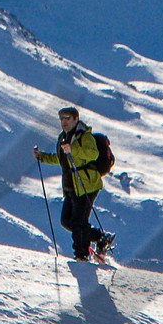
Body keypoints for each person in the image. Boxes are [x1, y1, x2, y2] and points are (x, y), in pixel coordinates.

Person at [34, 106, 115, 261]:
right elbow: (62, 159)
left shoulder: (85, 136)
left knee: (78, 221)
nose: (63, 122)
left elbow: (93, 154)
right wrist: (42, 157)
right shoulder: (64, 138)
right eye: (61, 118)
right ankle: (99, 238)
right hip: (72, 186)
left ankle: (81, 255)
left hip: (86, 185)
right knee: (67, 221)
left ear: (76, 119)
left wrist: (73, 150)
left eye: (67, 118)